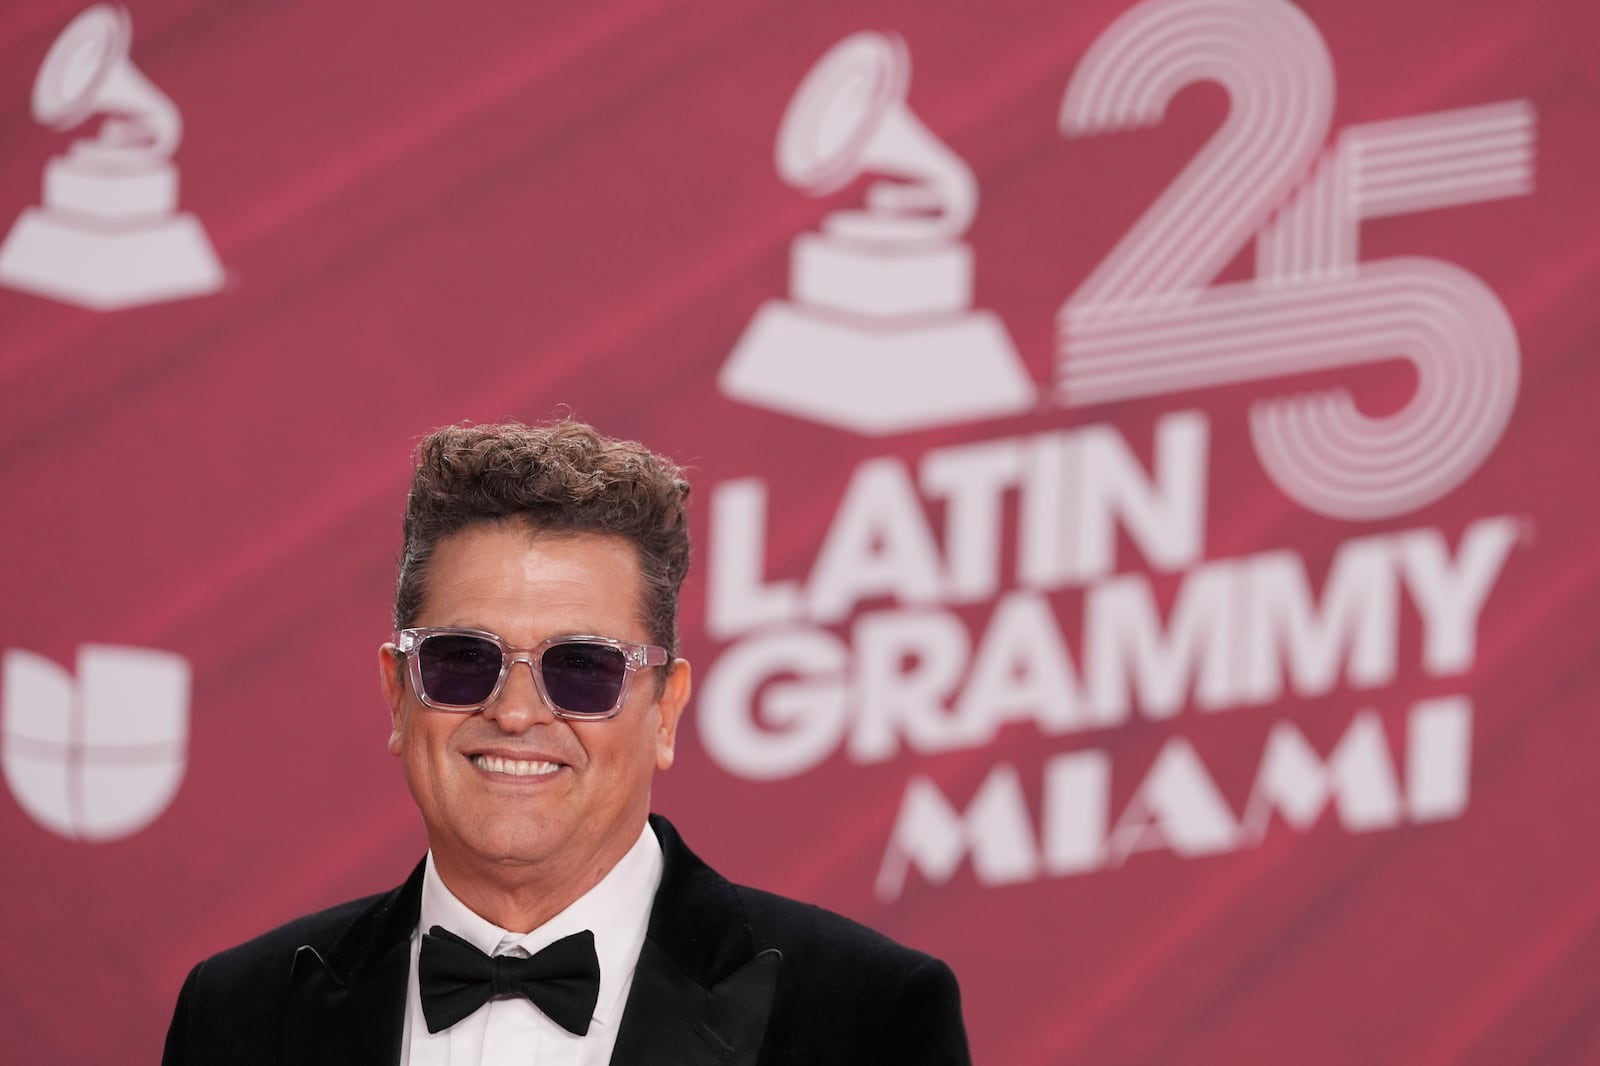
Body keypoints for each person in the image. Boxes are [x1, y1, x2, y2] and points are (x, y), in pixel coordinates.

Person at [162, 419, 972, 1065]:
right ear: (397, 695)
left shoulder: (869, 1020)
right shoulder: (237, 1014)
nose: (516, 712)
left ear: (665, 710)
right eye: (462, 660)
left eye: (582, 669)